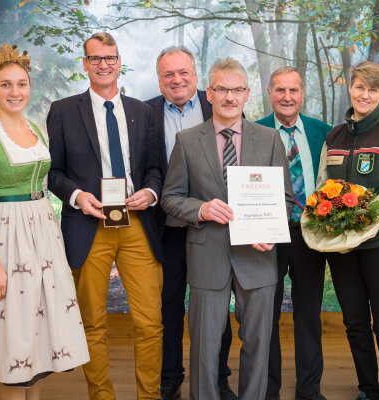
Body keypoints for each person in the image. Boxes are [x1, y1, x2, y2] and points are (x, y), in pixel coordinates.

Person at [161, 57, 295, 400]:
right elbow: (171, 198)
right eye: (222, 89)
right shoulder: (188, 140)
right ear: (210, 93)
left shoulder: (268, 139)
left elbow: (285, 198)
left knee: (258, 344)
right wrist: (201, 208)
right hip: (208, 256)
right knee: (204, 347)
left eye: (237, 90)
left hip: (258, 257)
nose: (229, 97)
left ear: (247, 93)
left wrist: (271, 229)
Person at [0, 43, 89, 399]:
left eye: (21, 84)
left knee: (37, 345)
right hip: (6, 239)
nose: (15, 92)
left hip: (42, 238)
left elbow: (47, 185)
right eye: (6, 85)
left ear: (29, 87)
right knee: (15, 347)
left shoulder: (36, 128)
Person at [47, 32, 164, 400]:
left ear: (119, 61)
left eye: (109, 58)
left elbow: (156, 169)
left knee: (150, 323)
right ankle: (101, 396)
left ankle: (149, 395)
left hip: (137, 225)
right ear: (85, 64)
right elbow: (52, 173)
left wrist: (150, 192)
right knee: (92, 323)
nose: (103, 65)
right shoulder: (63, 111)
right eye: (95, 59)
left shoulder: (142, 111)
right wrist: (79, 197)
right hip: (88, 223)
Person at [315, 61, 379, 400]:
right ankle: (368, 390)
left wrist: (358, 226)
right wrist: (332, 227)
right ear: (351, 88)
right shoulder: (334, 137)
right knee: (355, 323)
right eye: (360, 87)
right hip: (342, 250)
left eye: (373, 90)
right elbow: (321, 189)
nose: (365, 94)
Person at [144, 46, 235, 400]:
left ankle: (219, 374)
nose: (177, 80)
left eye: (183, 72)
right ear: (159, 79)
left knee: (217, 301)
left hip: (213, 227)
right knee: (168, 302)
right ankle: (170, 376)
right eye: (168, 74)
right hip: (165, 226)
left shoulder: (219, 103)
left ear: (197, 77)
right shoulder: (144, 113)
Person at [255, 66, 331, 400]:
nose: (287, 97)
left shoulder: (323, 132)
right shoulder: (253, 131)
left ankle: (309, 389)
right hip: (267, 233)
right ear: (270, 94)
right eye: (280, 90)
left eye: (294, 90)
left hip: (310, 233)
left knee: (309, 314)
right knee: (265, 314)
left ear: (303, 94)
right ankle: (267, 388)